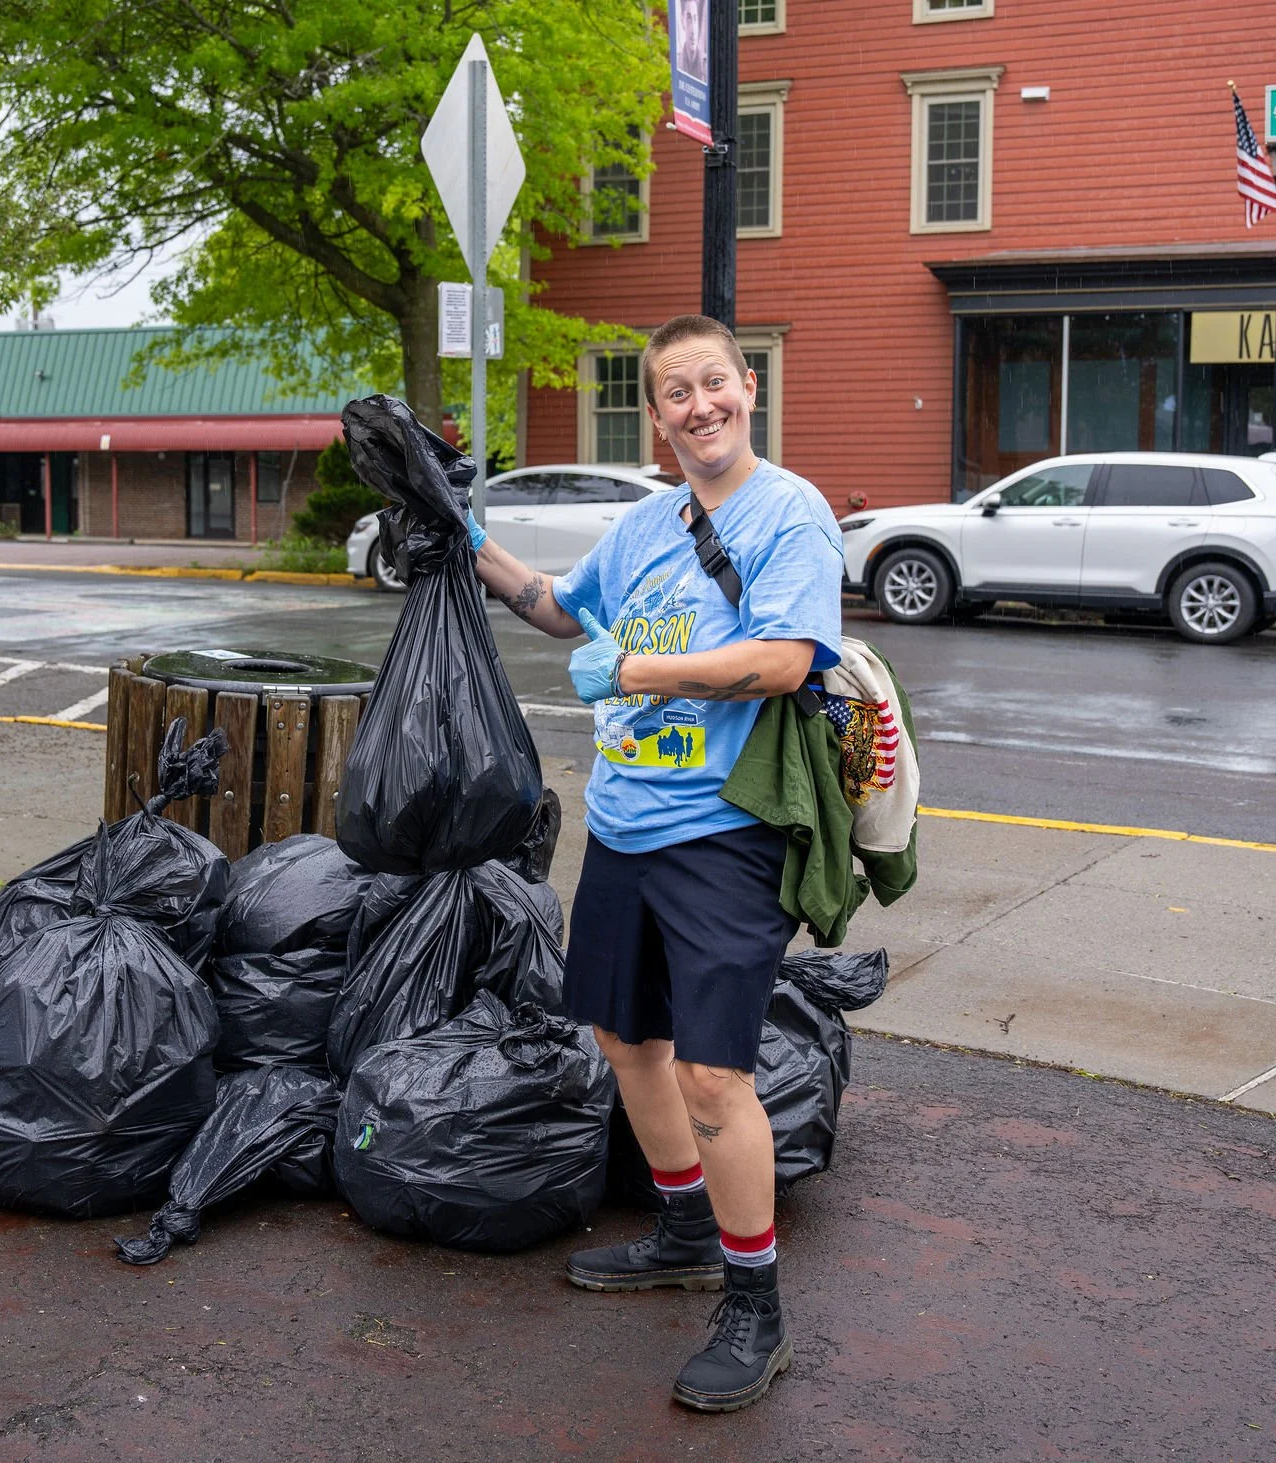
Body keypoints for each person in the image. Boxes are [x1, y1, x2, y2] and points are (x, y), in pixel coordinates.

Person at [471, 314, 845, 1413]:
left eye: (713, 382)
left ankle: (754, 1302)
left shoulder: (789, 512)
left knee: (712, 1074)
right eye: (676, 392)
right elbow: (559, 609)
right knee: (625, 1041)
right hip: (626, 823)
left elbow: (784, 660)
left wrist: (634, 670)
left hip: (725, 830)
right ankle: (683, 1228)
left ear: (747, 387)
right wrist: (467, 543)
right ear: (656, 415)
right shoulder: (643, 523)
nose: (699, 405)